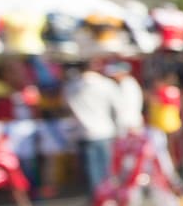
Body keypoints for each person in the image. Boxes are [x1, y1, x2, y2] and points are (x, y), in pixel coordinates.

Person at [62, 60, 119, 198]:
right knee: (106, 167)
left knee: (92, 169)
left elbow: (66, 106)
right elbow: (117, 106)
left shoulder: (71, 86)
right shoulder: (106, 84)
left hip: (84, 131)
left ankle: (98, 198)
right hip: (104, 129)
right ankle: (108, 196)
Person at [109, 62, 146, 135]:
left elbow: (127, 106)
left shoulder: (127, 84)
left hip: (129, 124)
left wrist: (129, 124)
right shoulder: (126, 83)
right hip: (128, 123)